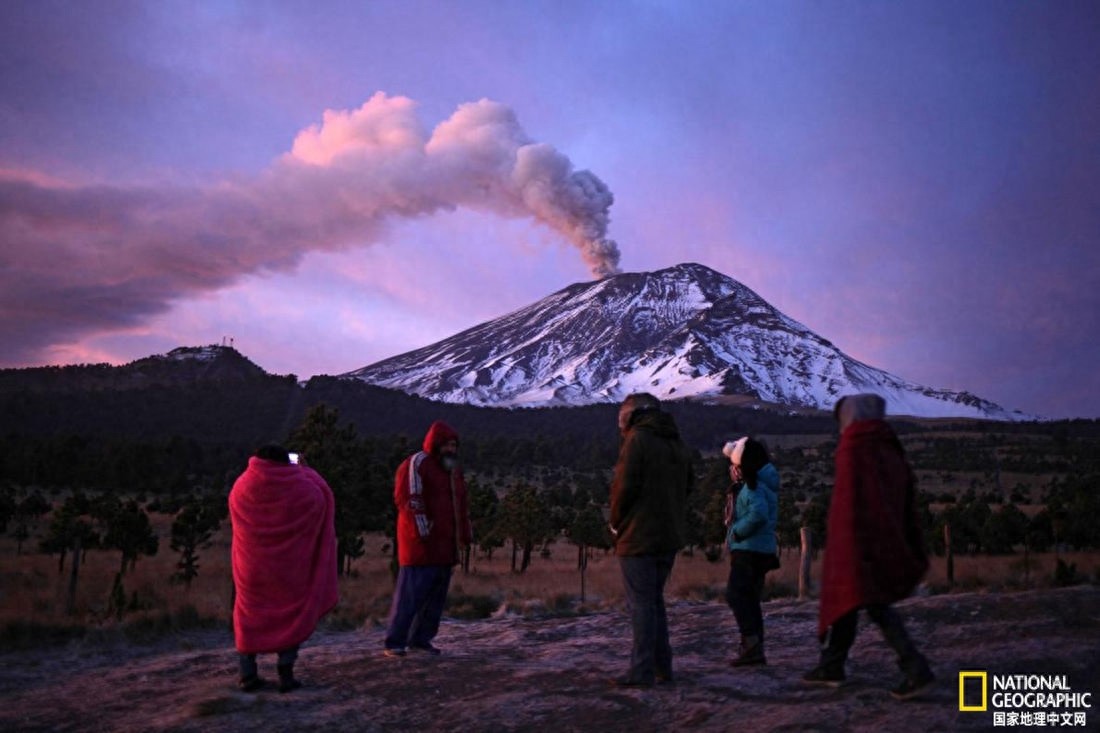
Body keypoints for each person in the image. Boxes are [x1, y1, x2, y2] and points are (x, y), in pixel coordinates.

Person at [802, 394, 935, 700]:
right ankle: (832, 665)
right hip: (882, 535)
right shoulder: (887, 444)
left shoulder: (854, 446)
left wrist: (845, 542)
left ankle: (916, 669)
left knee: (872, 602)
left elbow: (850, 501)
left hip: (858, 541)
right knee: (851, 601)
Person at [229, 444, 338, 693]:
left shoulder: (241, 486)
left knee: (248, 614)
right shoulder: (303, 488)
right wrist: (305, 470)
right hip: (290, 569)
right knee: (290, 614)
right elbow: (322, 496)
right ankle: (286, 674)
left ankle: (247, 675)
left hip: (251, 568)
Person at [609, 393, 694, 687]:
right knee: (654, 601)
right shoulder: (675, 441)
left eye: (622, 417)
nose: (620, 424)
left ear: (633, 414)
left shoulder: (637, 441)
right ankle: (662, 667)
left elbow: (624, 488)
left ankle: (641, 671)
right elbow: (689, 485)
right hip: (668, 535)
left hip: (638, 535)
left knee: (642, 604)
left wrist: (615, 522)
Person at [383, 420, 472, 657]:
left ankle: (421, 640)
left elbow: (460, 505)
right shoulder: (417, 464)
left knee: (434, 601)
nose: (451, 449)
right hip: (421, 547)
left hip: (445, 547)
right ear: (436, 445)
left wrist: (464, 534)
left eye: (454, 445)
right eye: (447, 445)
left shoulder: (453, 470)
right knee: (410, 597)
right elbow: (410, 500)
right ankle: (395, 642)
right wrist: (422, 532)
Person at [722, 436, 779, 667]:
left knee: (735, 595)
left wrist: (736, 532)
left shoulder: (753, 487)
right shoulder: (763, 483)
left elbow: (758, 514)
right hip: (762, 550)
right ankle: (755, 649)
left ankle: (751, 644)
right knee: (751, 599)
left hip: (749, 550)